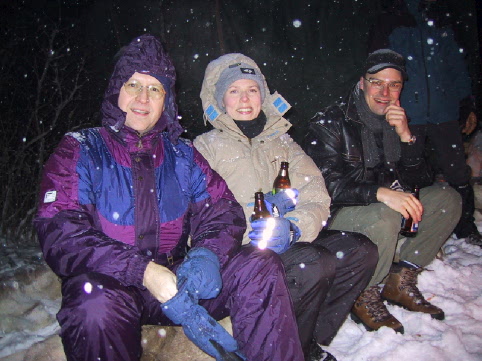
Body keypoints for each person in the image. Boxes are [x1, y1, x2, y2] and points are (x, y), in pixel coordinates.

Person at [33, 35, 305, 361]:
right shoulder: (80, 149)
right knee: (92, 305)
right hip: (111, 286)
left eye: (155, 89)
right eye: (134, 85)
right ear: (117, 90)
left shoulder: (183, 155)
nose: (143, 98)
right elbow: (60, 233)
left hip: (179, 283)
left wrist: (207, 254)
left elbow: (223, 210)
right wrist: (142, 271)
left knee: (258, 264)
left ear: (167, 101)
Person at [193, 53, 378, 361]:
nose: (245, 99)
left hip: (285, 237)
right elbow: (202, 217)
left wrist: (293, 227)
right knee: (313, 261)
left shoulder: (283, 142)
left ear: (263, 95)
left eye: (252, 89)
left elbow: (317, 196)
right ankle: (292, 346)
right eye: (234, 90)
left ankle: (308, 339)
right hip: (241, 252)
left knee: (361, 251)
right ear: (218, 97)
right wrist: (255, 229)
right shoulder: (205, 148)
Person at [303, 49, 462, 334]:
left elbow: (421, 180)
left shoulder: (396, 119)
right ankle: (365, 292)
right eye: (376, 81)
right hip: (338, 213)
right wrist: (380, 193)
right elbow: (325, 186)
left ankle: (400, 279)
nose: (384, 91)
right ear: (362, 82)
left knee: (446, 199)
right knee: (385, 215)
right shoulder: (331, 121)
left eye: (394, 84)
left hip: (383, 203)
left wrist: (406, 137)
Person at [368, 0, 481, 247]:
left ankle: (465, 227)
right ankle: (412, 231)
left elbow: (457, 66)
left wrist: (467, 104)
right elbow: (379, 65)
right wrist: (387, 103)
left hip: (444, 111)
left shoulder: (442, 16)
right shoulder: (391, 15)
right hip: (409, 112)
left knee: (458, 172)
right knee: (409, 173)